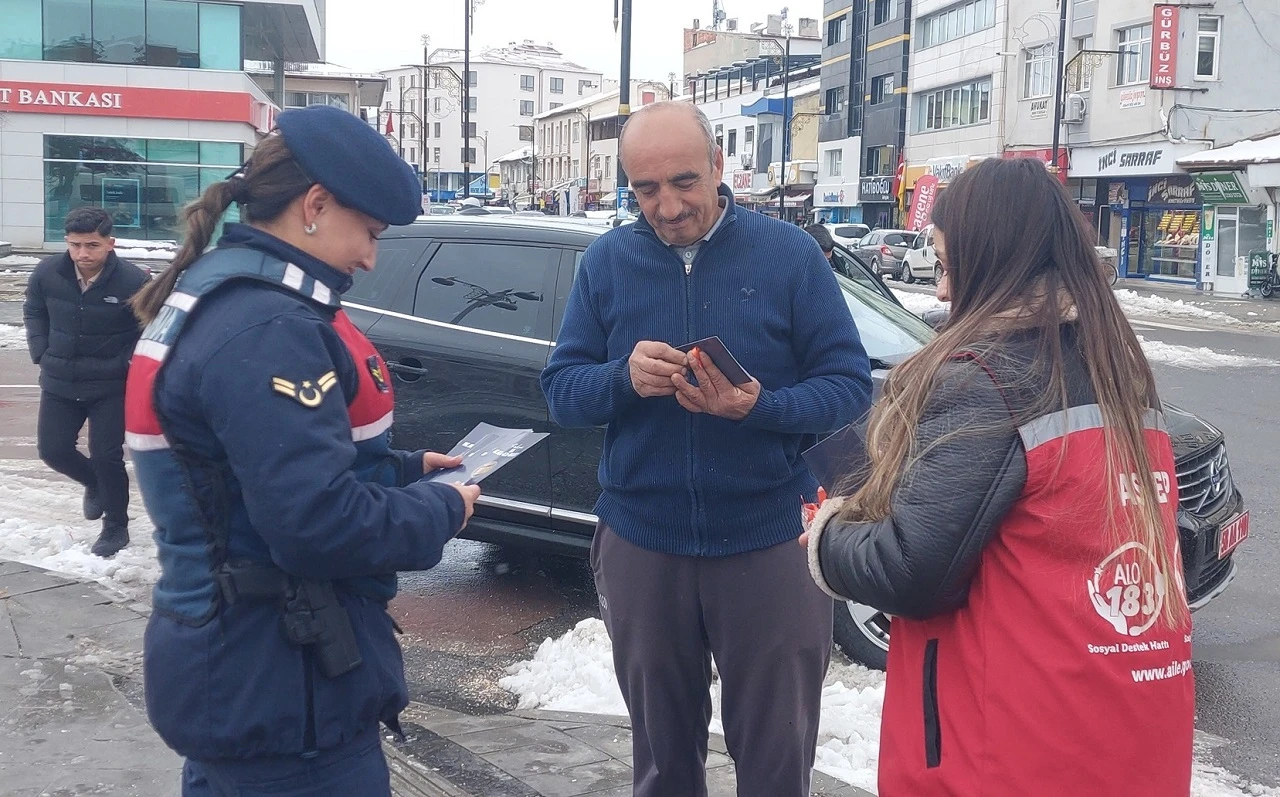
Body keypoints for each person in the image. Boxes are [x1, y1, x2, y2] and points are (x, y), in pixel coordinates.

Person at [802, 158, 1194, 796]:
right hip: (1129, 742)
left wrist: (826, 534)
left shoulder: (988, 379)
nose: (939, 292)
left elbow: (911, 571)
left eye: (946, 263)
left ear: (990, 258)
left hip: (1011, 753)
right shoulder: (1119, 375)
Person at [123, 105, 480, 796]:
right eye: (370, 232)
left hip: (243, 672)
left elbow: (240, 476)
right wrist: (438, 511)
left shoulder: (228, 295)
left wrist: (404, 470)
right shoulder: (268, 325)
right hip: (281, 689)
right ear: (314, 204)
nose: (372, 257)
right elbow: (314, 524)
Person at [541, 101, 873, 797]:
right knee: (663, 761)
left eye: (684, 182)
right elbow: (562, 391)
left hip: (767, 540)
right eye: (646, 189)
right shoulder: (606, 263)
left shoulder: (788, 256)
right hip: (643, 541)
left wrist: (764, 407)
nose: (667, 206)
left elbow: (849, 386)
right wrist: (621, 378)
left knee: (778, 759)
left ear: (720, 166)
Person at [23, 207, 149, 557]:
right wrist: (41, 351)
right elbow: (34, 309)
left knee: (107, 456)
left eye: (91, 245)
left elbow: (148, 328)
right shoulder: (48, 273)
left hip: (110, 385)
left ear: (110, 243)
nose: (82, 254)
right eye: (75, 245)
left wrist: (127, 363)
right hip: (59, 379)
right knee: (53, 450)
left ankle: (116, 525)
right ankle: (93, 482)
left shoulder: (133, 280)